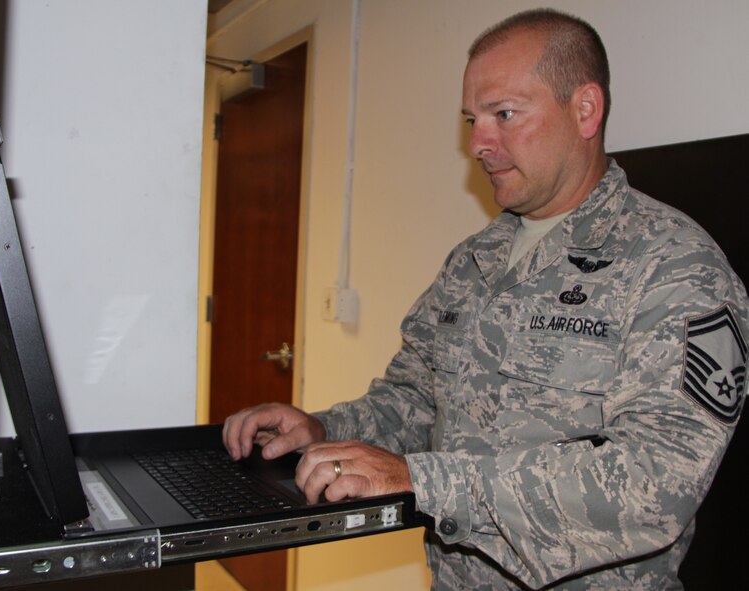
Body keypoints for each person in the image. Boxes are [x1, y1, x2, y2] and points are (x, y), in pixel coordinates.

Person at [223, 8, 749, 590]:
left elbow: (657, 483)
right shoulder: (475, 260)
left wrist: (426, 482)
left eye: (504, 114)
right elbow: (417, 399)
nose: (477, 142)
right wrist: (321, 431)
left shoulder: (674, 265)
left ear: (585, 110)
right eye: (472, 119)